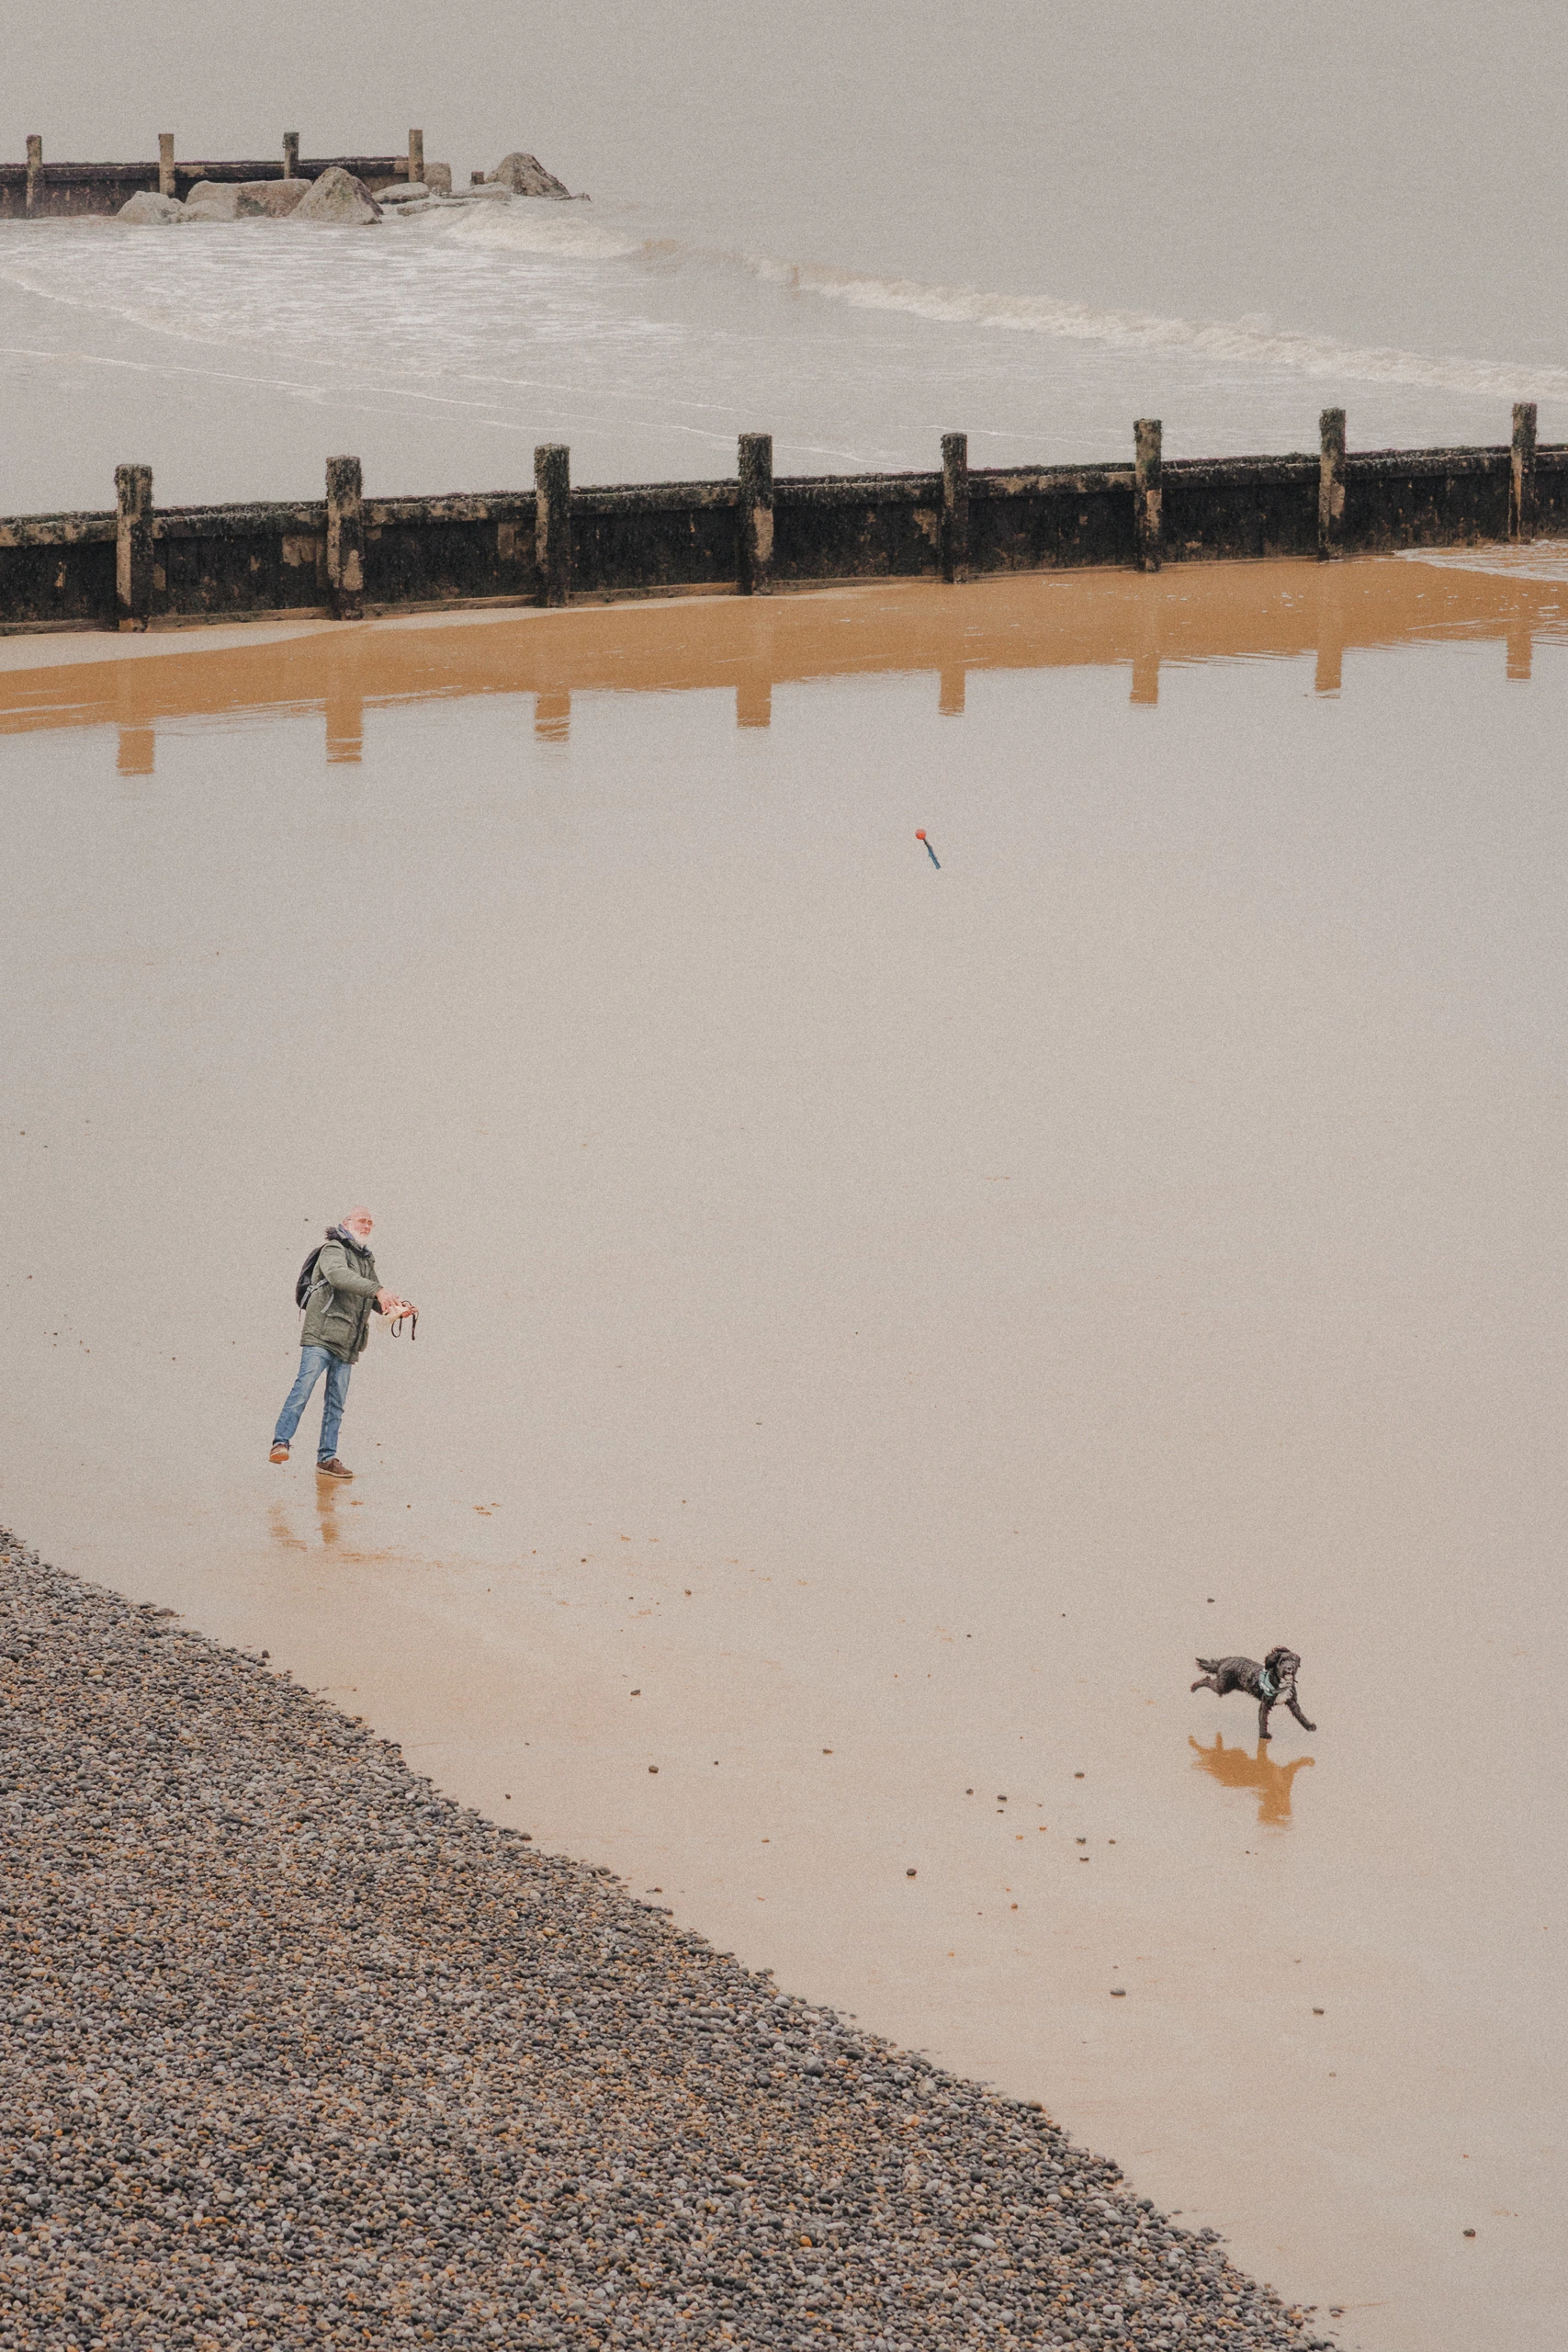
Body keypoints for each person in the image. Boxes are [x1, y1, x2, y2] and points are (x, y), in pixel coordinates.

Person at [269, 1208, 414, 1479]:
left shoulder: (366, 1260)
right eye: (362, 1220)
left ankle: (327, 1459)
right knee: (303, 1389)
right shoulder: (333, 1248)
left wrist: (396, 1309)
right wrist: (377, 1290)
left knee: (336, 1404)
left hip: (349, 1343)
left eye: (371, 1222)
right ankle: (280, 1442)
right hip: (321, 1336)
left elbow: (372, 1299)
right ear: (346, 1223)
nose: (368, 1225)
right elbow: (338, 1276)